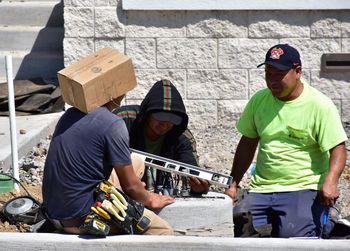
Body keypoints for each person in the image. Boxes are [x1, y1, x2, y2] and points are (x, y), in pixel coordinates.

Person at [225, 44, 348, 238]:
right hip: (262, 188)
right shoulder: (259, 100)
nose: (272, 80)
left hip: (302, 187)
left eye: (278, 74)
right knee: (233, 227)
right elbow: (247, 143)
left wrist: (331, 181)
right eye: (268, 73)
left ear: (297, 71)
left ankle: (330, 222)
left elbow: (338, 148)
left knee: (293, 240)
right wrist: (233, 183)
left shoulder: (319, 105)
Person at [42, 92, 175, 235]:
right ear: (115, 93)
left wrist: (137, 192)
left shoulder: (69, 115)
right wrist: (149, 198)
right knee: (164, 232)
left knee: (136, 161)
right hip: (84, 220)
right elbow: (130, 187)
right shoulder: (113, 124)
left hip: (54, 213)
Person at [109, 79, 209, 195]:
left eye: (172, 120)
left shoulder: (182, 137)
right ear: (147, 114)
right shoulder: (122, 121)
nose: (165, 124)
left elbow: (192, 170)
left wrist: (199, 186)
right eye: (160, 117)